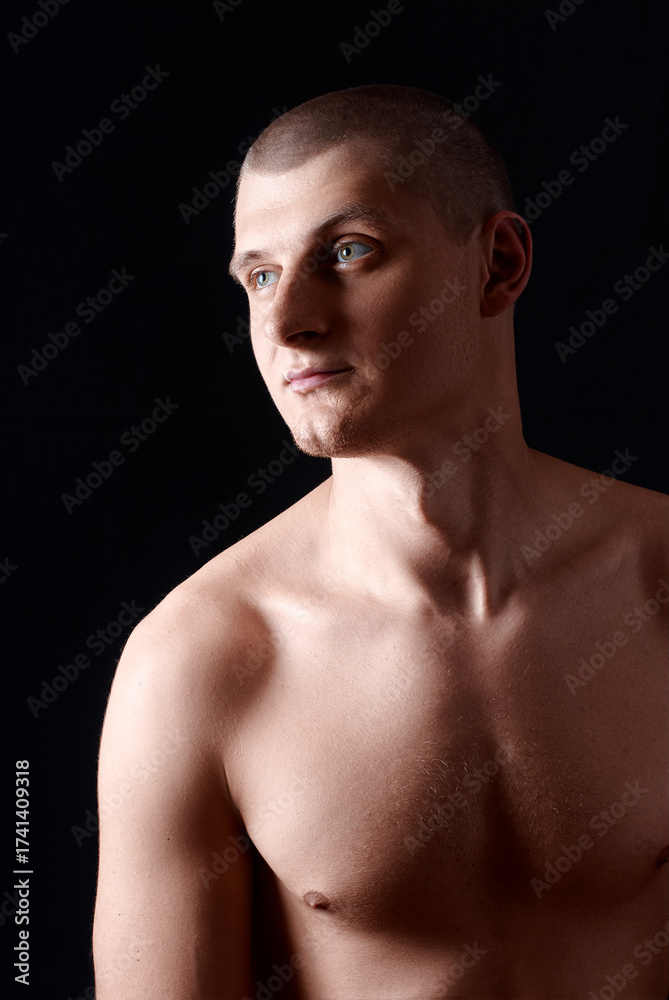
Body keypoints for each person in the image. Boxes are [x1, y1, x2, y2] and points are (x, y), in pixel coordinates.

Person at [92, 85, 669, 999]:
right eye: (260, 276)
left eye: (348, 252)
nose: (286, 325)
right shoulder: (200, 661)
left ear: (498, 263)